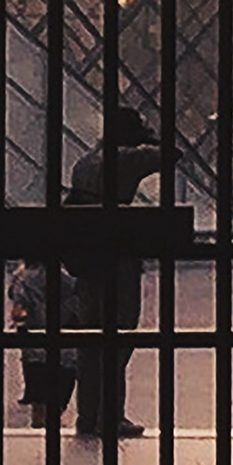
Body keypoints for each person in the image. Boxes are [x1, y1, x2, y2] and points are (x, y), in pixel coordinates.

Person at [63, 113, 169, 442]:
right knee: (119, 337)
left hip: (86, 260)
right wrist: (148, 135)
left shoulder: (84, 163)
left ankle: (87, 415)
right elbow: (170, 154)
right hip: (118, 259)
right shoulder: (127, 159)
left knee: (90, 340)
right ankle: (111, 416)